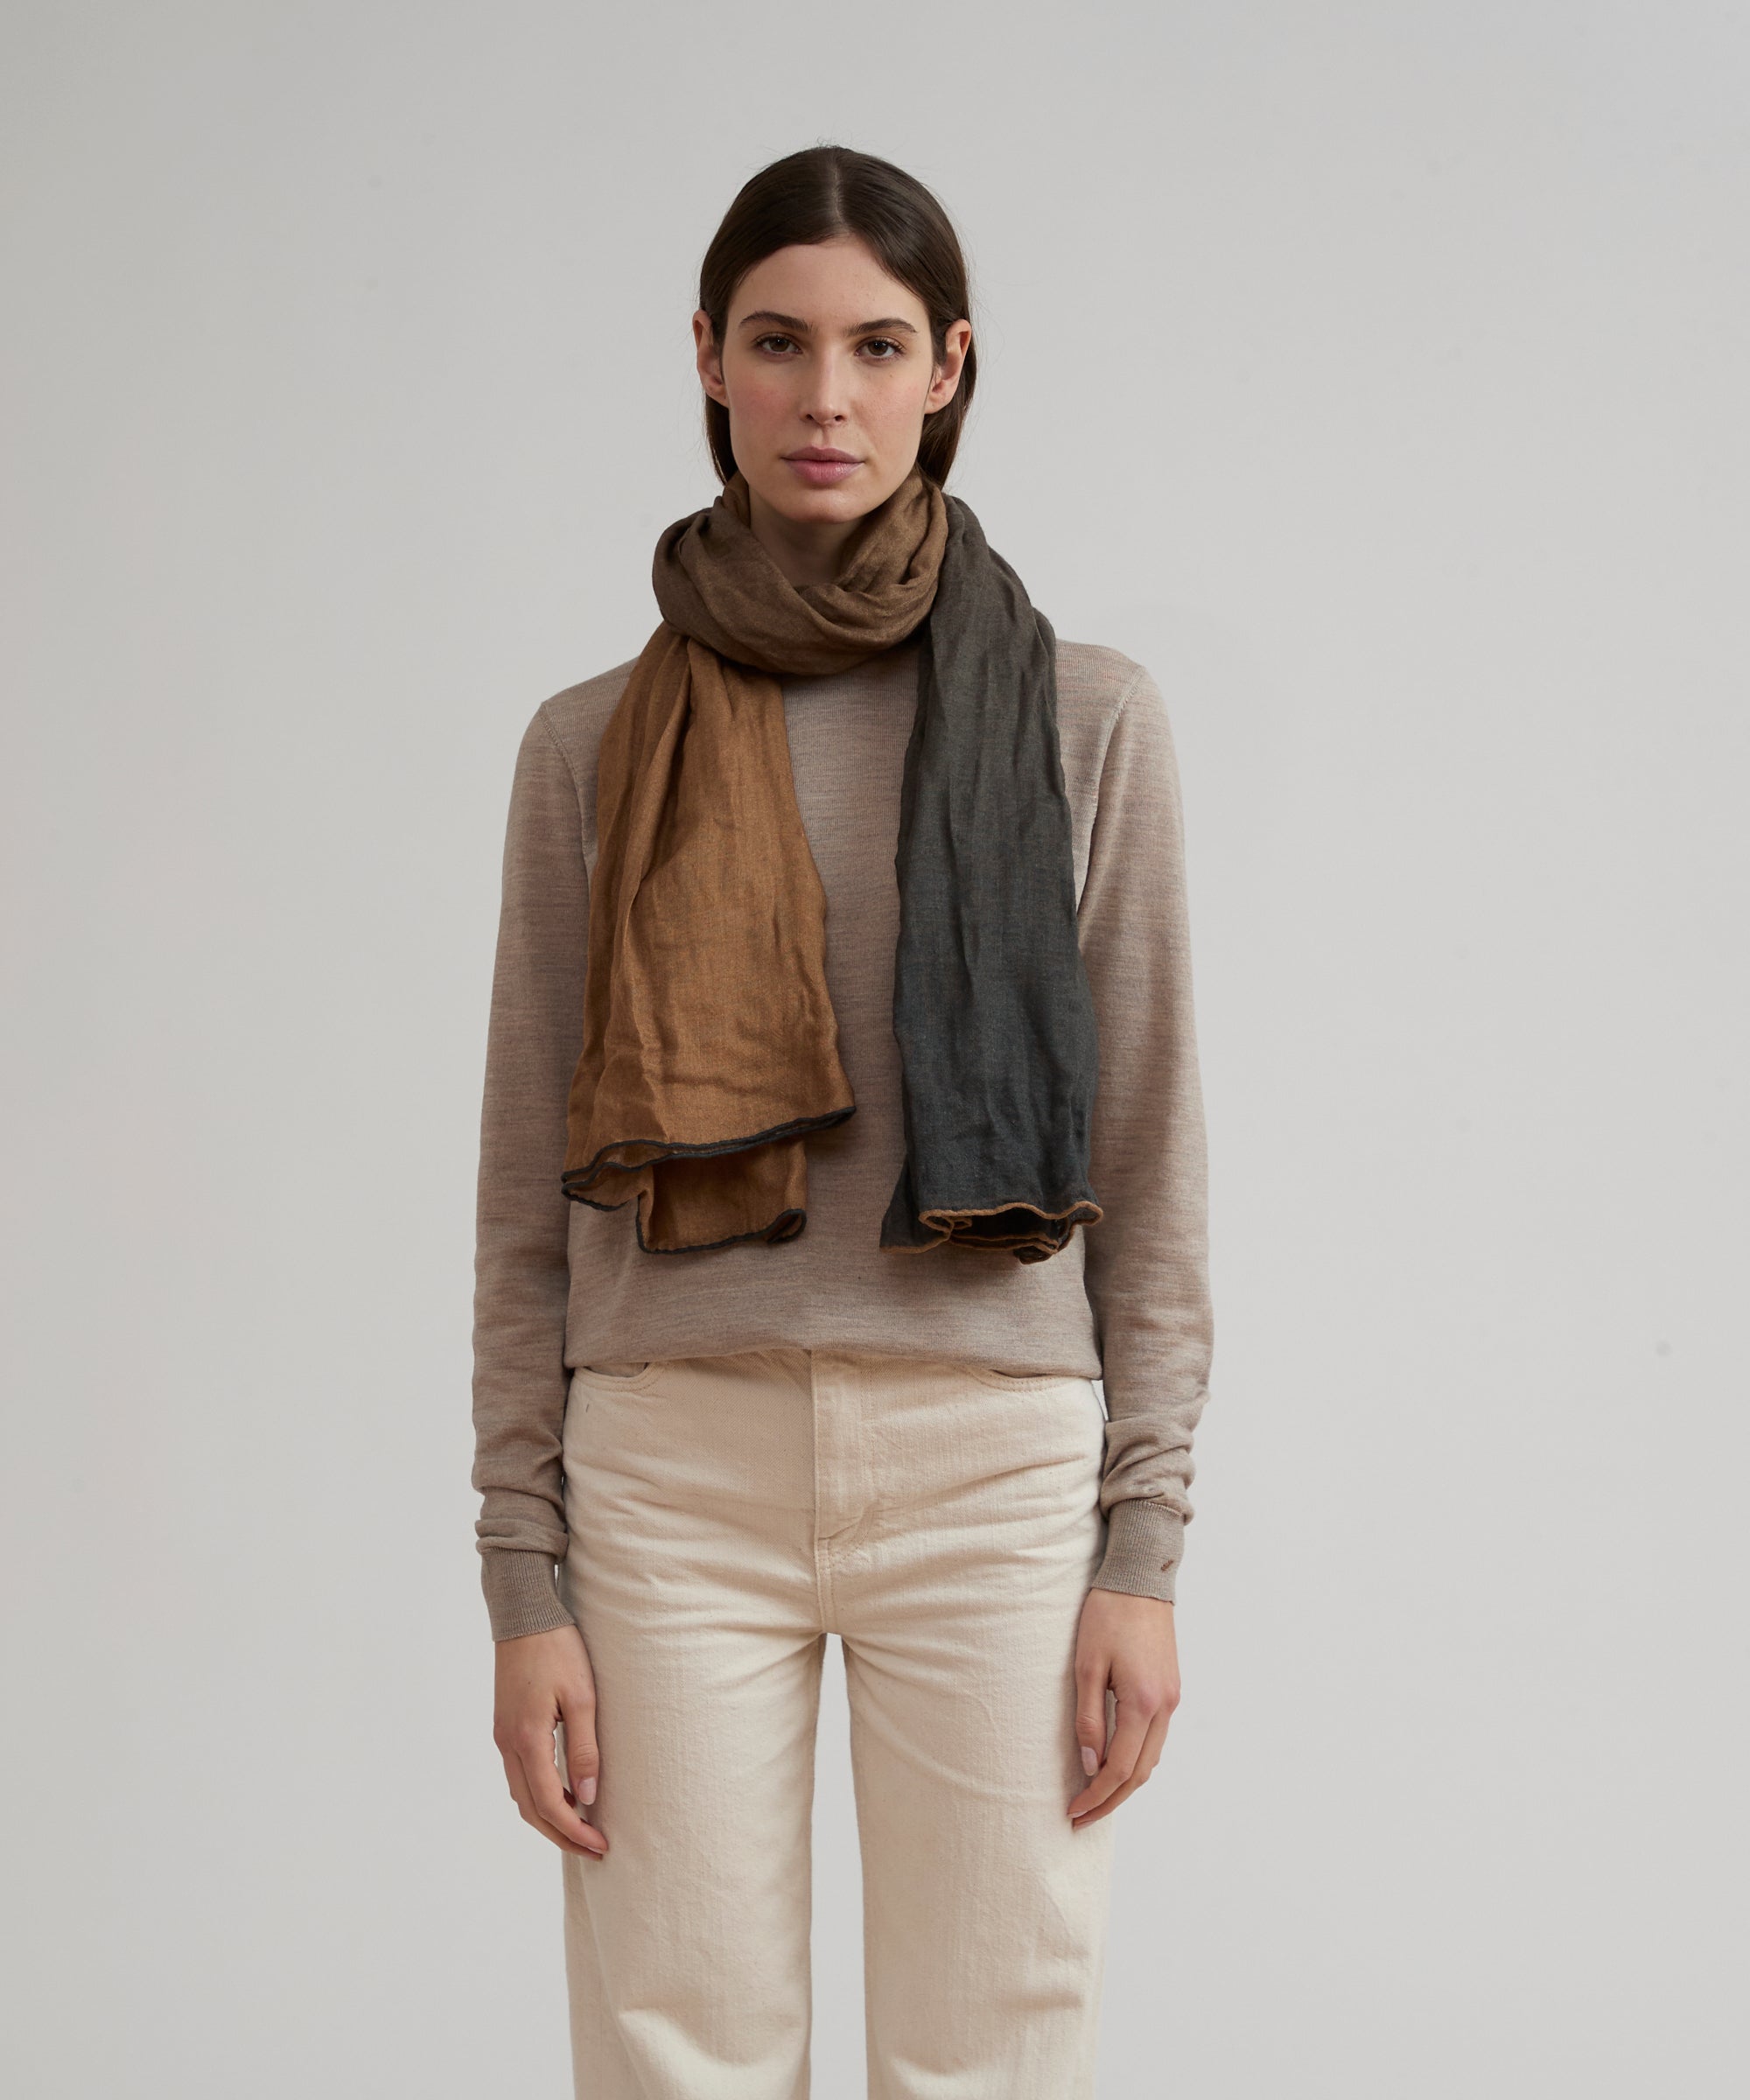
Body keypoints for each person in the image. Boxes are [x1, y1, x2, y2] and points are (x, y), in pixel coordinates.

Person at [470, 143, 1214, 2100]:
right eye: (780, 342)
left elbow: (1149, 1164)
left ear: (948, 368)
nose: (826, 395)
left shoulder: (1084, 719)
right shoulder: (587, 746)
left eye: (878, 346)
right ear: (707, 359)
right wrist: (523, 1581)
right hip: (668, 1477)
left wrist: (1141, 1550)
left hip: (993, 1477)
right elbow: (523, 1198)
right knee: (677, 2059)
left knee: (994, 2056)